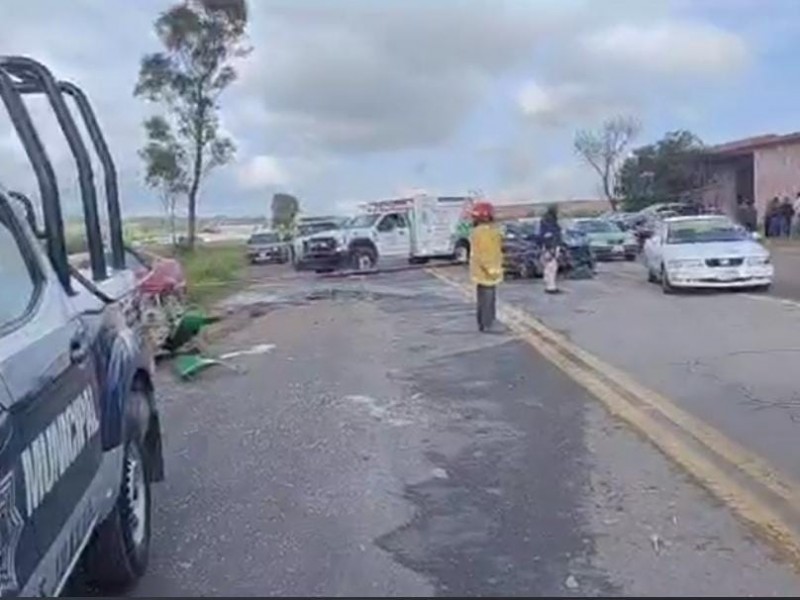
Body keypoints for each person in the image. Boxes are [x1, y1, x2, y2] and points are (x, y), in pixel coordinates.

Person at [468, 201, 503, 332]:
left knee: (482, 301)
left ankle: (482, 323)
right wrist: (492, 270)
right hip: (488, 273)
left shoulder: (476, 232)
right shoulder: (487, 233)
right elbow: (487, 254)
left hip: (479, 273)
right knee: (488, 301)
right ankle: (487, 324)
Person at [539, 204, 563, 293]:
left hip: (550, 246)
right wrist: (551, 247)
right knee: (551, 266)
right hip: (550, 246)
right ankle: (550, 287)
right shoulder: (549, 221)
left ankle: (550, 285)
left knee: (550, 267)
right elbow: (549, 235)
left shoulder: (547, 220)